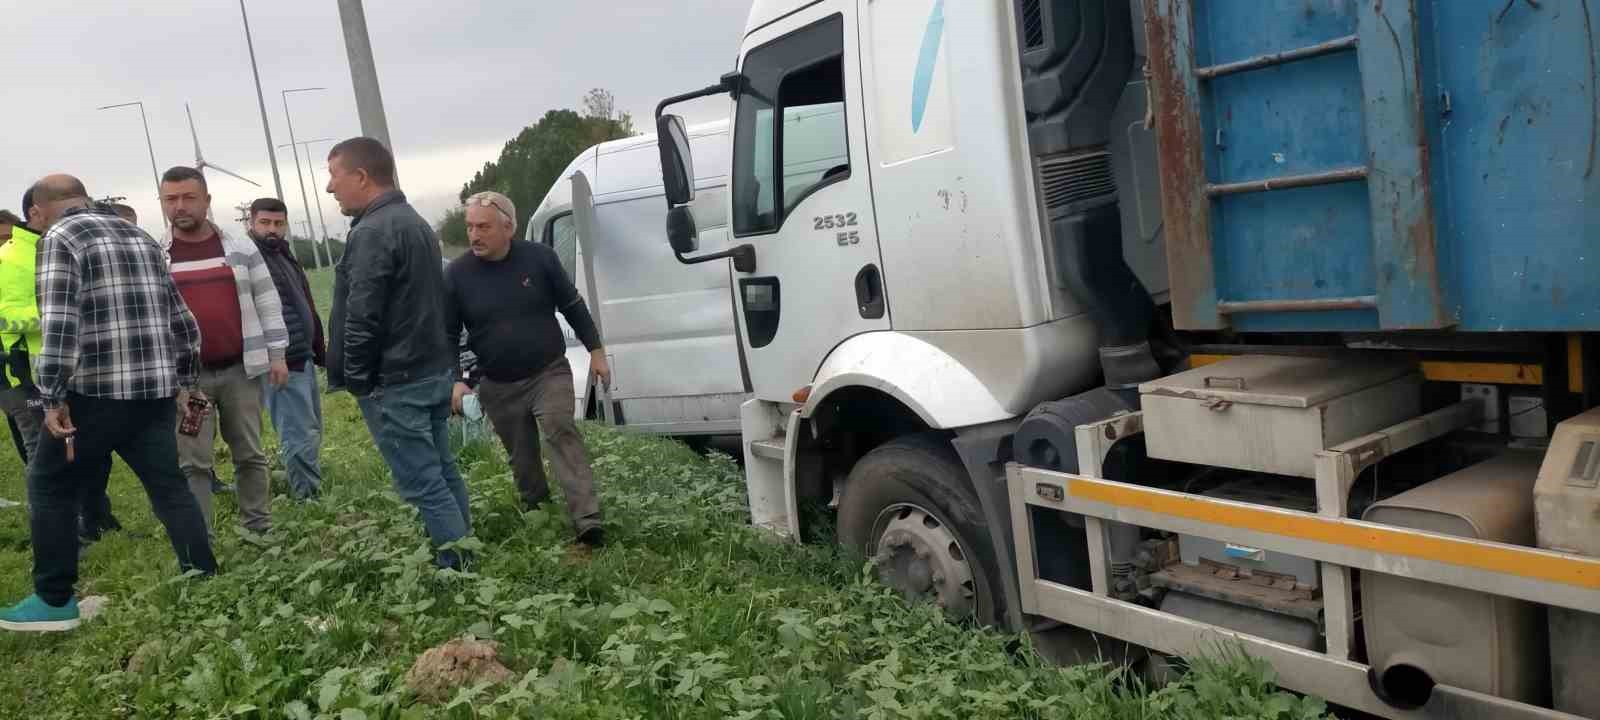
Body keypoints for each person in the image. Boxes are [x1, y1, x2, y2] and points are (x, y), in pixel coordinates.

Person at [0, 174, 215, 632]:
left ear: (39, 212)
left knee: (49, 486)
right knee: (169, 488)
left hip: (93, 393)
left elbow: (59, 323)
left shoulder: (59, 237)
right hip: (153, 392)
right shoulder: (138, 236)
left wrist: (52, 395)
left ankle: (54, 601)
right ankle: (204, 576)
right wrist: (186, 380)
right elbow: (182, 318)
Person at [324, 137, 470, 568]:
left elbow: (362, 315)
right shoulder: (414, 221)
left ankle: (459, 571)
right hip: (429, 371)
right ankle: (466, 552)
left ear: (361, 176)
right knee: (442, 470)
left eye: (334, 176)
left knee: (424, 481)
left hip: (394, 381)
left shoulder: (372, 231)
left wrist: (358, 380)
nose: (330, 189)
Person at [446, 191, 607, 549]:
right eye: (470, 226)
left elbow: (573, 306)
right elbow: (446, 332)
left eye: (483, 226)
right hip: (497, 382)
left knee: (559, 429)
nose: (474, 235)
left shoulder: (540, 259)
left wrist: (596, 350)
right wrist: (455, 381)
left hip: (548, 371)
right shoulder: (457, 274)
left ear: (509, 226)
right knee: (523, 459)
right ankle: (539, 514)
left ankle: (587, 520)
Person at [159, 166, 289, 536]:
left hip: (239, 374)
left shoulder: (238, 247)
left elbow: (267, 301)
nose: (180, 206)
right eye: (171, 199)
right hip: (191, 383)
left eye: (188, 197)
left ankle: (258, 526)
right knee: (195, 461)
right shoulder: (158, 255)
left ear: (207, 201)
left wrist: (277, 355)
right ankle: (201, 538)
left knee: (249, 452)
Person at [0, 189, 119, 538]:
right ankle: (58, 537)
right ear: (36, 213)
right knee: (45, 458)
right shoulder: (9, 258)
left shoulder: (59, 245)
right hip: (27, 376)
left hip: (74, 370)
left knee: (88, 448)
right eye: (64, 210)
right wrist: (57, 314)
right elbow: (4, 316)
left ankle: (97, 519)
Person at [246, 198, 326, 500]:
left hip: (300, 353)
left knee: (310, 426)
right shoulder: (252, 257)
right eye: (265, 223)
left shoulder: (281, 253)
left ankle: (307, 484)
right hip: (281, 360)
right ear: (251, 222)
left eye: (278, 223)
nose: (272, 229)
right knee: (298, 431)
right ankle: (307, 497)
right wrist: (274, 354)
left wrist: (316, 348)